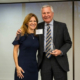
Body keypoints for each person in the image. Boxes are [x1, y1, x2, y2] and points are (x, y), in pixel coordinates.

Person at [17, 5, 72, 80]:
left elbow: (68, 42)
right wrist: (20, 32)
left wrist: (61, 51)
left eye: (48, 12)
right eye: (44, 13)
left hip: (59, 61)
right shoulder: (37, 27)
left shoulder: (62, 26)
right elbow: (29, 32)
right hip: (44, 61)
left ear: (52, 13)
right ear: (41, 15)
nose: (46, 15)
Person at [12, 13, 39, 80]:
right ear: (26, 23)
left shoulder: (38, 36)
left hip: (34, 68)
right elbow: (15, 51)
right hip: (22, 67)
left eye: (35, 21)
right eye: (30, 21)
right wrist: (17, 67)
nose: (33, 23)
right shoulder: (20, 34)